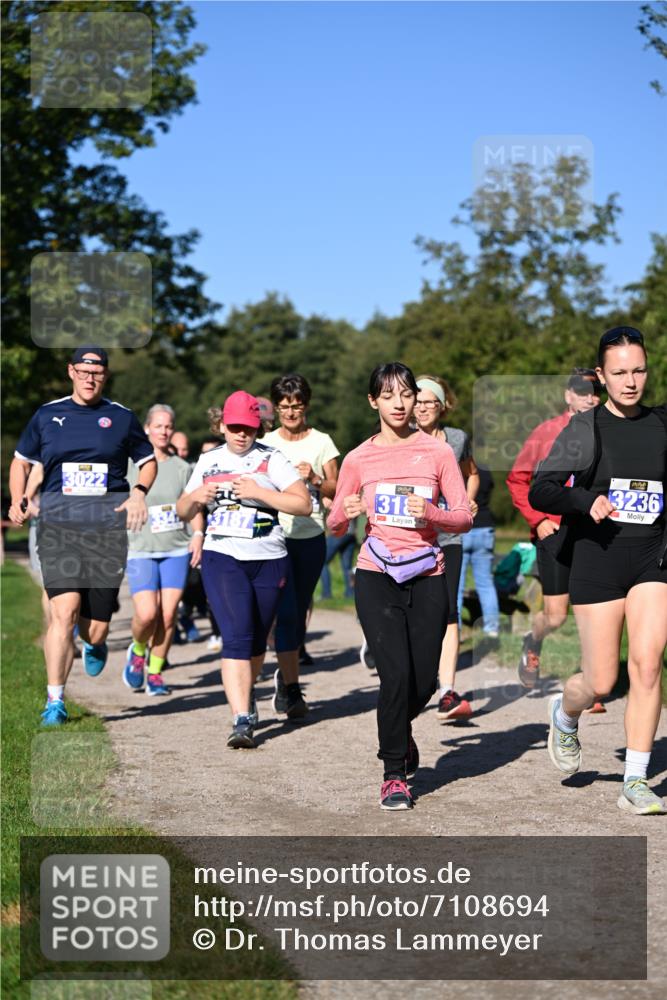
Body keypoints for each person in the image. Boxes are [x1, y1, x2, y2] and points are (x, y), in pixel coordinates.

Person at [529, 327, 666, 815]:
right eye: (620, 372)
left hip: (653, 560)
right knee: (601, 683)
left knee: (647, 665)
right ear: (601, 376)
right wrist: (585, 500)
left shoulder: (662, 423)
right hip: (597, 560)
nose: (631, 381)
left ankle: (635, 781)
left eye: (638, 370)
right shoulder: (585, 429)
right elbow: (542, 489)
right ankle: (565, 714)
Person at [328, 362, 472, 810]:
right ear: (373, 401)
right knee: (394, 675)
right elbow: (334, 524)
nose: (399, 403)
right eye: (388, 395)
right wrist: (346, 511)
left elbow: (463, 516)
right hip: (377, 574)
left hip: (427, 573)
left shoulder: (437, 452)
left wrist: (432, 513)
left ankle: (399, 730)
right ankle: (394, 774)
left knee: (423, 681)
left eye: (406, 394)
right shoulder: (358, 458)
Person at [8, 346, 156, 725]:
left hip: (106, 533)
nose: (90, 379)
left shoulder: (121, 417)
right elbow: (21, 462)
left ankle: (96, 643)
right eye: (84, 371)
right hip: (59, 529)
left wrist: (139, 493)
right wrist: (18, 498)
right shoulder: (47, 415)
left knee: (95, 629)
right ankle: (54, 701)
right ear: (71, 372)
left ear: (105, 375)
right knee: (64, 613)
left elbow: (147, 462)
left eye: (97, 373)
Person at [176, 391, 311, 749]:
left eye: (249, 428)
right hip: (222, 556)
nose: (241, 434)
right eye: (235, 427)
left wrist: (259, 492)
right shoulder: (208, 461)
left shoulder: (271, 458)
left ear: (258, 427)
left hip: (268, 558)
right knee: (236, 635)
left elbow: (303, 504)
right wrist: (195, 498)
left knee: (256, 639)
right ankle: (241, 719)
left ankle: (246, 693)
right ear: (221, 425)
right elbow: (183, 510)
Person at [507, 368, 603, 700]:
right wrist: (538, 521)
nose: (590, 398)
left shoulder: (608, 430)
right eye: (582, 392)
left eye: (596, 392)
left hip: (595, 533)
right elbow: (517, 479)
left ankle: (590, 684)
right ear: (568, 395)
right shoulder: (546, 432)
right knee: (557, 615)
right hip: (554, 532)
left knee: (595, 610)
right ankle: (533, 641)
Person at [263, 374, 340, 718]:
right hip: (273, 537)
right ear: (276, 408)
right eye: (284, 407)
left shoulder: (322, 442)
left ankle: (287, 679)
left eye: (296, 406)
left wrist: (315, 478)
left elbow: (338, 488)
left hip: (310, 537)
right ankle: (291, 686)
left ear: (306, 406)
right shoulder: (265, 443)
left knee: (297, 610)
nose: (291, 413)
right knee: (283, 612)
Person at [124, 405, 205, 695]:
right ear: (147, 428)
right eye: (158, 426)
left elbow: (193, 506)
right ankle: (137, 649)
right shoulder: (130, 465)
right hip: (140, 548)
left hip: (175, 549)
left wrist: (198, 534)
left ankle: (155, 673)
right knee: (147, 614)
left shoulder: (182, 468)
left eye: (168, 426)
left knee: (168, 615)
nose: (164, 431)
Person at [414, 375, 479, 722]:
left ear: (442, 406)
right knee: (415, 610)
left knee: (448, 609)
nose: (422, 408)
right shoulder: (400, 437)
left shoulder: (457, 439)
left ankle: (447, 692)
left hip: (448, 536)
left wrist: (467, 501)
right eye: (418, 401)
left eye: (430, 402)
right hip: (411, 537)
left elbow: (472, 473)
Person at [456, 464, 501, 639]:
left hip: (463, 528)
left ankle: (455, 630)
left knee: (456, 585)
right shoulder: (486, 471)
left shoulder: (457, 470)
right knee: (485, 583)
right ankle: (492, 629)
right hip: (485, 528)